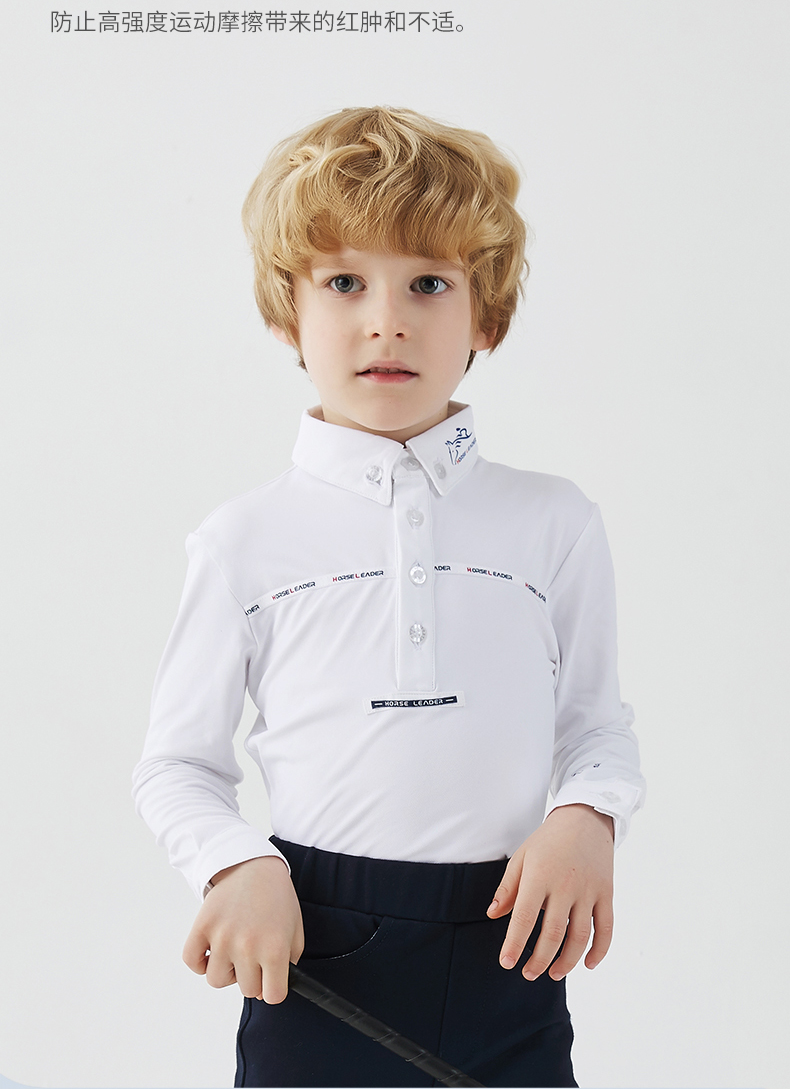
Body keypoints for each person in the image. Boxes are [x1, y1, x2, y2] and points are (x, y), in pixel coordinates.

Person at [132, 106, 645, 1088]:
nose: (387, 319)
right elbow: (177, 765)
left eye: (429, 283)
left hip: (509, 951)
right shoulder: (243, 541)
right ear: (285, 313)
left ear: (486, 317)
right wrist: (237, 864)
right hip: (316, 954)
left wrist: (588, 816)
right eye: (343, 283)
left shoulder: (554, 523)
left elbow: (596, 726)